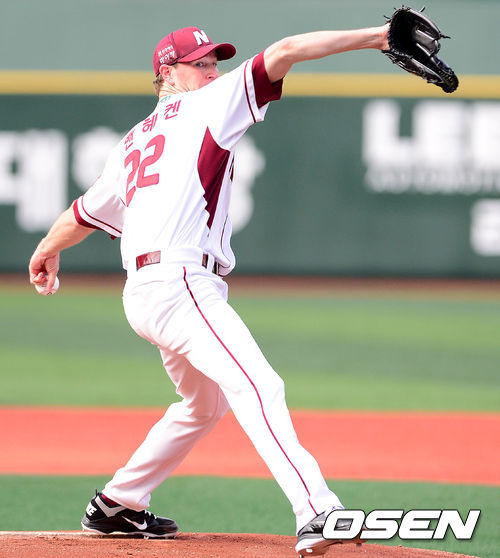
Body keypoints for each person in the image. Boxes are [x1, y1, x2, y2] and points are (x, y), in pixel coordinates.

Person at [29, 23, 389, 556]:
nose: (212, 71)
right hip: (181, 284)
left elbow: (83, 212)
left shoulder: (130, 142)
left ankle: (117, 503)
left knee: (204, 403)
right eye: (199, 63)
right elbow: (287, 50)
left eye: (214, 63)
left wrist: (45, 249)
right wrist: (379, 36)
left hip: (145, 293)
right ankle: (317, 511)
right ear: (166, 72)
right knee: (260, 387)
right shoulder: (206, 106)